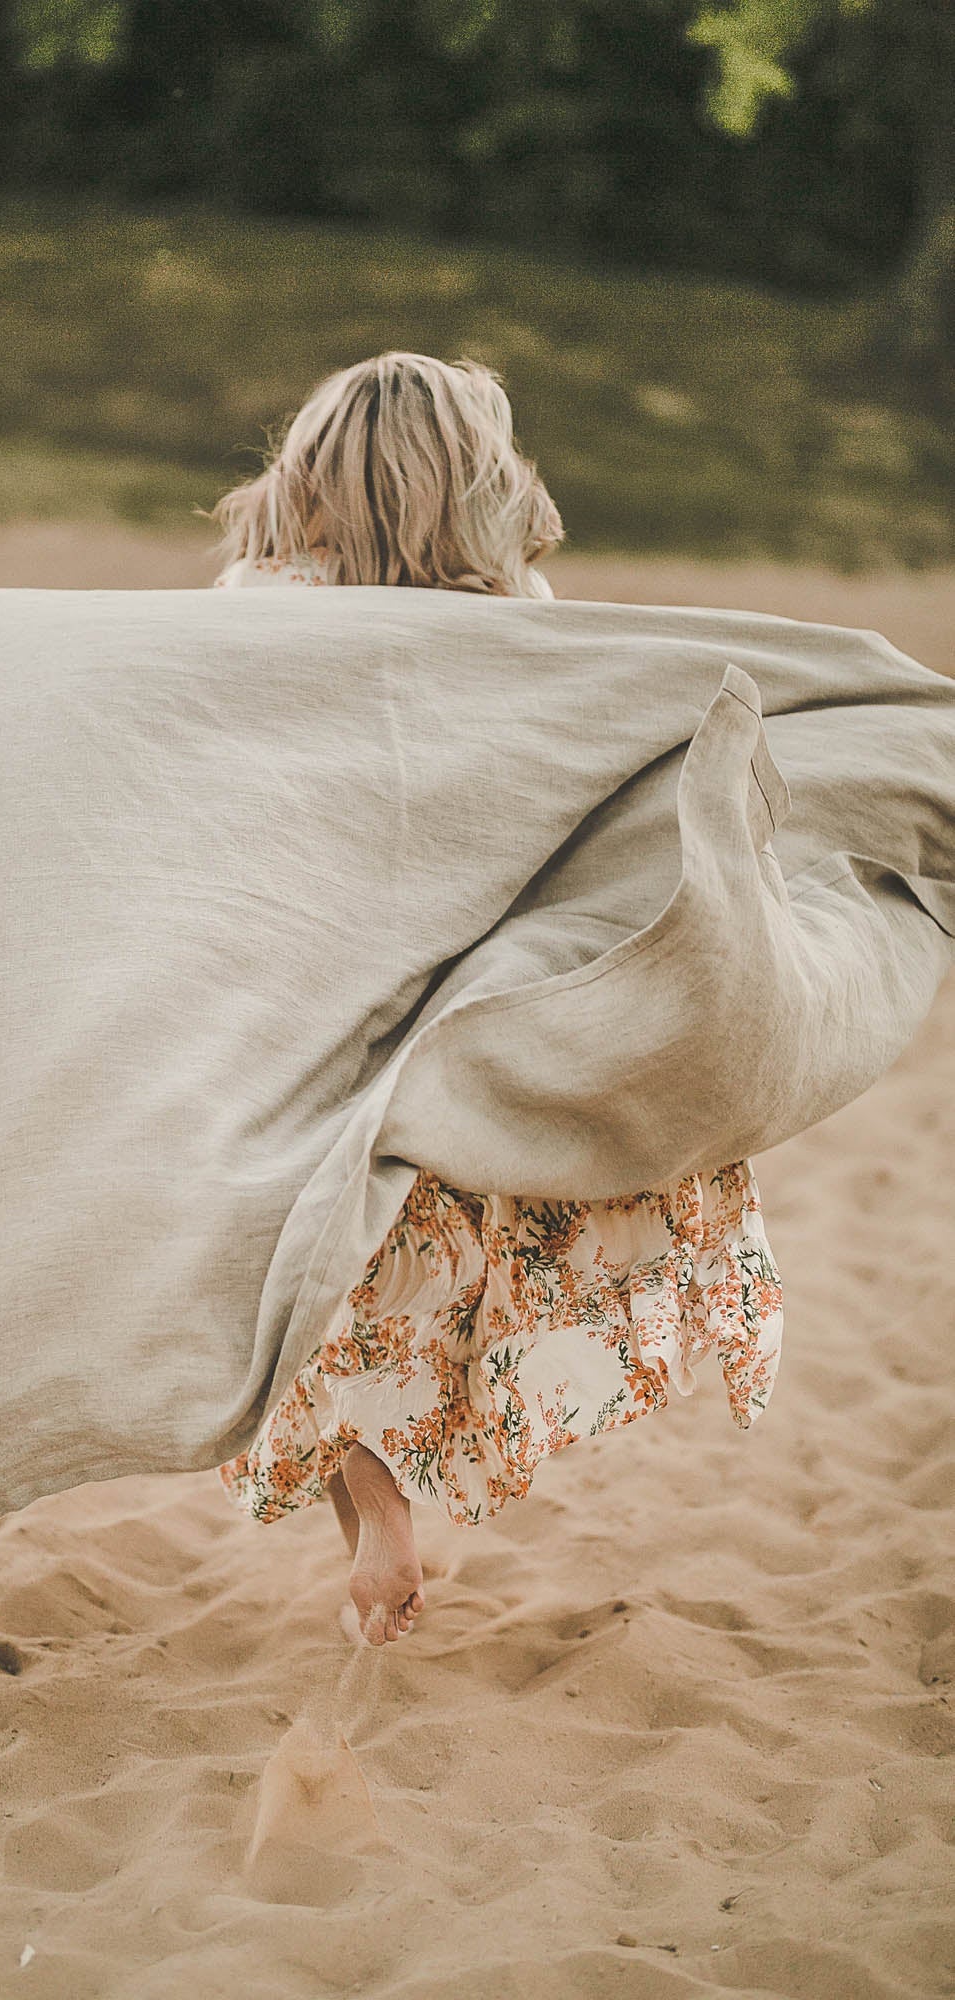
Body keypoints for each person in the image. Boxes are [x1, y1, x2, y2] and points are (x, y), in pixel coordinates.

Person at [204, 352, 784, 1647]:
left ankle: (374, 1532)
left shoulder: (253, 608)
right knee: (426, 1270)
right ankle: (390, 1526)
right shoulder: (517, 617)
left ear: (306, 476)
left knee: (307, 1279)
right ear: (473, 486)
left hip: (298, 1006)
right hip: (464, 1011)